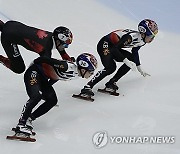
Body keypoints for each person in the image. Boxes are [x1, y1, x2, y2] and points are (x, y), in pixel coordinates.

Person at [14, 53, 97, 135]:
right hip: (34, 72)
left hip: (42, 78)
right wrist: (32, 66)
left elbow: (57, 75)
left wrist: (46, 88)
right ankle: (21, 124)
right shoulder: (65, 67)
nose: (91, 74)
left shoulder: (77, 74)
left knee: (52, 100)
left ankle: (30, 118)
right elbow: (44, 59)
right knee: (36, 97)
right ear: (83, 69)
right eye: (91, 71)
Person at [80, 19, 158, 96]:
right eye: (151, 36)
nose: (152, 39)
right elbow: (115, 49)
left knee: (132, 59)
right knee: (110, 68)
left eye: (153, 37)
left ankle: (112, 82)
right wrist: (125, 60)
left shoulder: (142, 41)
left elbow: (135, 52)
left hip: (114, 47)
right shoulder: (131, 37)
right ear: (143, 34)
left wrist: (139, 67)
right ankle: (87, 87)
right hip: (105, 43)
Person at [0, 20, 73, 74]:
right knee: (19, 68)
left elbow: (60, 47)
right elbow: (45, 69)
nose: (65, 47)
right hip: (8, 37)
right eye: (65, 45)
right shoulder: (45, 49)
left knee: (9, 30)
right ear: (58, 40)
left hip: (12, 24)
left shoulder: (51, 36)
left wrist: (66, 57)